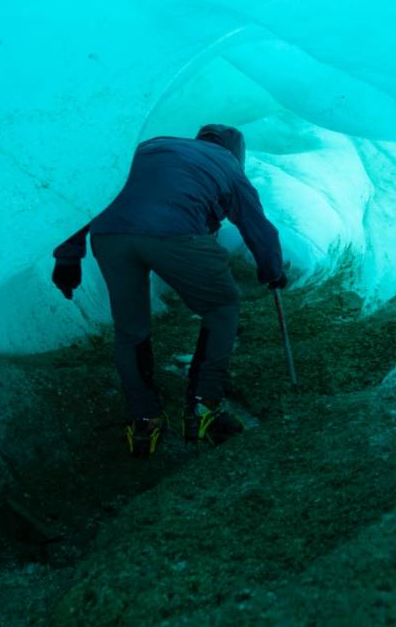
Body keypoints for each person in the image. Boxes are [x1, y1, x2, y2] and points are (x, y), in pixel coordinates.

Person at [50, 124, 287, 458]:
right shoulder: (229, 165)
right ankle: (204, 408)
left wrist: (68, 256)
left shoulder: (151, 148)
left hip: (110, 235)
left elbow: (92, 191)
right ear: (238, 152)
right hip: (175, 234)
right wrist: (272, 271)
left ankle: (144, 419)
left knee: (129, 329)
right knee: (222, 307)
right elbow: (257, 227)